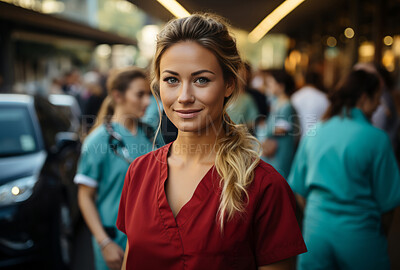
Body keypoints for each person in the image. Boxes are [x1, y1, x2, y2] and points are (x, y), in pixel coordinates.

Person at [116, 13, 306, 270]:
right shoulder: (139, 173)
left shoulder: (264, 187)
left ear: (229, 84)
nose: (184, 96)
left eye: (201, 80)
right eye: (171, 80)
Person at [289, 69, 400, 270]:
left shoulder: (315, 132)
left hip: (315, 233)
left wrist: (319, 217)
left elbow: (299, 190)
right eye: (377, 98)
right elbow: (388, 205)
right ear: (365, 97)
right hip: (361, 238)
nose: (378, 106)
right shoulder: (377, 139)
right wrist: (375, 233)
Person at [74, 67, 163, 270]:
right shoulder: (97, 141)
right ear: (118, 96)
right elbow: (85, 196)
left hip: (151, 241)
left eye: (148, 94)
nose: (148, 101)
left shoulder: (151, 135)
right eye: (140, 94)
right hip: (116, 244)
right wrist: (104, 243)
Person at [256, 69, 299, 178]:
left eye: (271, 83)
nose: (268, 86)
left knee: (279, 177)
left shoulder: (286, 105)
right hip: (274, 150)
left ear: (281, 86)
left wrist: (265, 130)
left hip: (281, 151)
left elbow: (282, 128)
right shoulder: (276, 102)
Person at [291, 70, 329, 137]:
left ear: (304, 80)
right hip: (318, 136)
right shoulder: (324, 98)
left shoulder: (295, 97)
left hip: (299, 137)